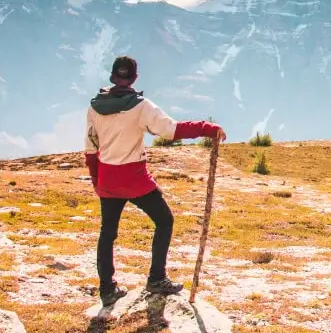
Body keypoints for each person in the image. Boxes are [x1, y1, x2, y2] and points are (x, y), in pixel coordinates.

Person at [84, 55, 226, 305]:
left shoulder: (95, 107)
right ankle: (156, 278)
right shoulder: (141, 106)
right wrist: (207, 128)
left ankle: (106, 289)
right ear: (135, 78)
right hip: (134, 179)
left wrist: (97, 181)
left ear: (112, 76)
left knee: (107, 233)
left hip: (107, 179)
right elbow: (172, 130)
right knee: (164, 220)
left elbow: (90, 149)